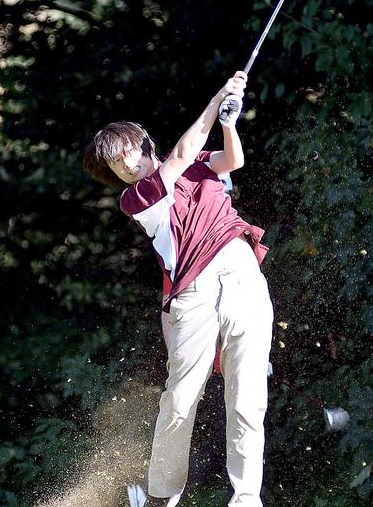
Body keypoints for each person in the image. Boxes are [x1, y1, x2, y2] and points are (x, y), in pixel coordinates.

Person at [83, 71, 274, 507]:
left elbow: (232, 161)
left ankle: (246, 496)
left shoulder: (194, 163)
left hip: (243, 272)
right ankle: (163, 496)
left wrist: (228, 121)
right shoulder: (139, 198)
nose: (127, 164)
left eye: (129, 152)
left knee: (248, 398)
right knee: (181, 399)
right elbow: (184, 152)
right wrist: (217, 98)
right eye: (117, 164)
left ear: (144, 143)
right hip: (196, 291)